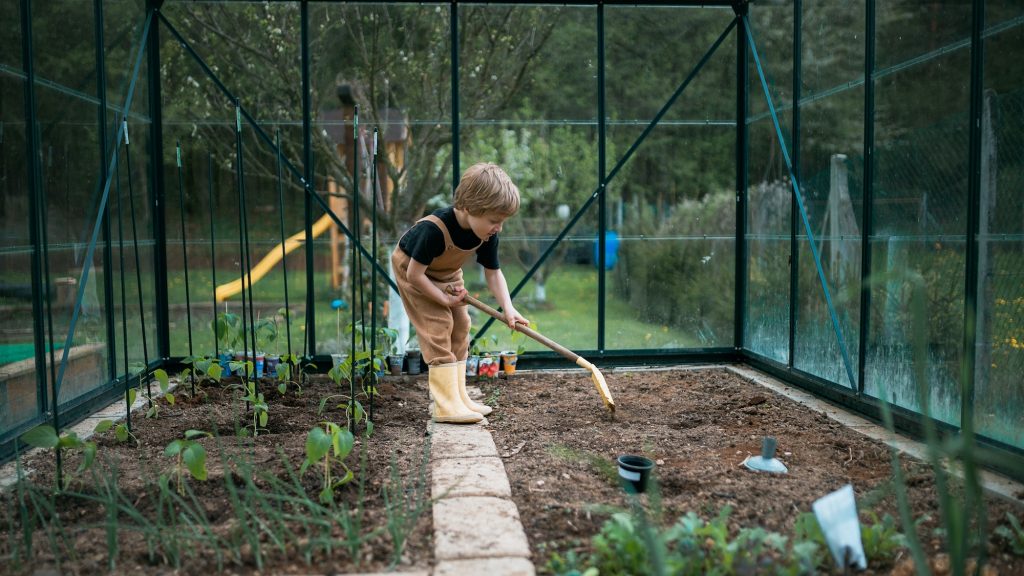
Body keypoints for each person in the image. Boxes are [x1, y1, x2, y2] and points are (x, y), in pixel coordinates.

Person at [391, 162, 529, 424]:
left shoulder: (486, 233)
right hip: (415, 273)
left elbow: (493, 273)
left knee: (462, 324)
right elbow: (414, 275)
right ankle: (444, 406)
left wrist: (508, 308)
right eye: (493, 221)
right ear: (469, 208)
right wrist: (443, 298)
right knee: (438, 325)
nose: (498, 227)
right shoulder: (433, 230)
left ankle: (459, 397)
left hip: (446, 273)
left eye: (501, 221)